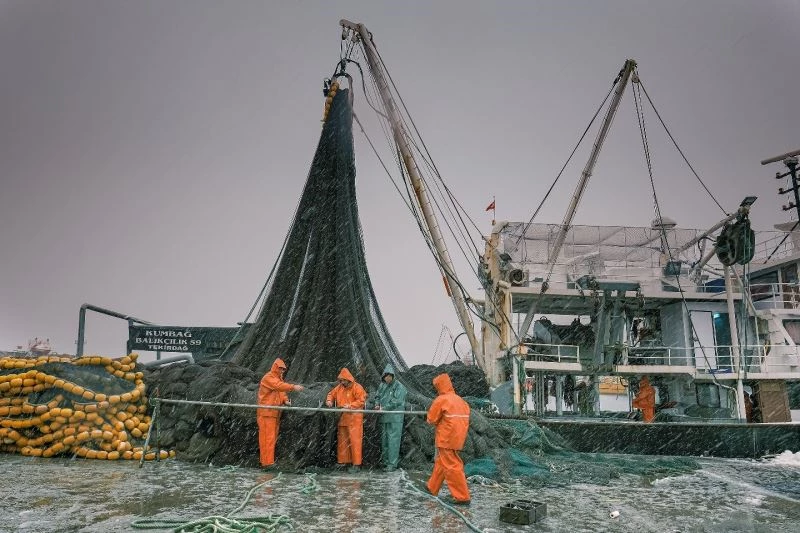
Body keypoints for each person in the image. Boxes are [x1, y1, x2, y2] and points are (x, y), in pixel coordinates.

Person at [425, 373, 471, 505]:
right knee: (443, 461)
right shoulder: (460, 400)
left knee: (451, 465)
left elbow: (431, 419)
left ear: (439, 386)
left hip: (446, 437)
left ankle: (462, 496)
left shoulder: (441, 400)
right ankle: (432, 487)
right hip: (458, 437)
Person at [257, 358, 304, 469]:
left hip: (274, 413)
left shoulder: (278, 379)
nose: (282, 371)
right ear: (275, 367)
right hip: (266, 413)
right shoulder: (268, 378)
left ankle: (269, 462)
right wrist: (293, 387)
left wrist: (285, 400)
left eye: (283, 369)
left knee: (271, 439)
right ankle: (266, 463)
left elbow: (281, 392)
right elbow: (279, 387)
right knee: (266, 439)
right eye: (280, 369)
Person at [326, 368, 367, 472]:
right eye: (340, 380)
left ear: (348, 379)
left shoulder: (358, 387)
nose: (341, 382)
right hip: (343, 419)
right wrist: (329, 401)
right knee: (342, 442)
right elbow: (330, 394)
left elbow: (361, 401)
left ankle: (356, 465)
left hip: (354, 420)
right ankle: (343, 462)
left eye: (343, 380)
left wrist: (350, 406)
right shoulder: (339, 388)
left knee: (355, 442)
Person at [373, 364, 407, 472]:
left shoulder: (399, 387)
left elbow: (397, 401)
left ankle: (392, 464)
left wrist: (384, 408)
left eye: (389, 376)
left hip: (395, 418)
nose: (387, 378)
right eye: (385, 376)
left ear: (392, 376)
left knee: (393, 442)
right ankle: (385, 462)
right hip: (384, 417)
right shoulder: (382, 386)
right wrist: (377, 404)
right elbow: (377, 396)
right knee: (385, 441)